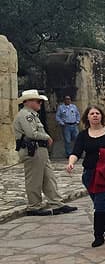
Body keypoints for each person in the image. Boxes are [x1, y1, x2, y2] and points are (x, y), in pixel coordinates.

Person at [12, 89, 78, 217]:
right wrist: (46, 137)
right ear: (28, 102)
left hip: (39, 150)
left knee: (49, 177)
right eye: (38, 101)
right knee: (34, 179)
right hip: (32, 149)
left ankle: (56, 203)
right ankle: (34, 206)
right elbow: (31, 133)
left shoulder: (31, 115)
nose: (40, 104)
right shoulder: (25, 115)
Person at [66, 106, 105, 247]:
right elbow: (76, 152)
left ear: (101, 116)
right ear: (87, 117)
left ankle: (98, 236)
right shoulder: (83, 135)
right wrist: (71, 163)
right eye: (92, 114)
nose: (95, 116)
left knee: (100, 203)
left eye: (97, 113)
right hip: (89, 175)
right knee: (99, 203)